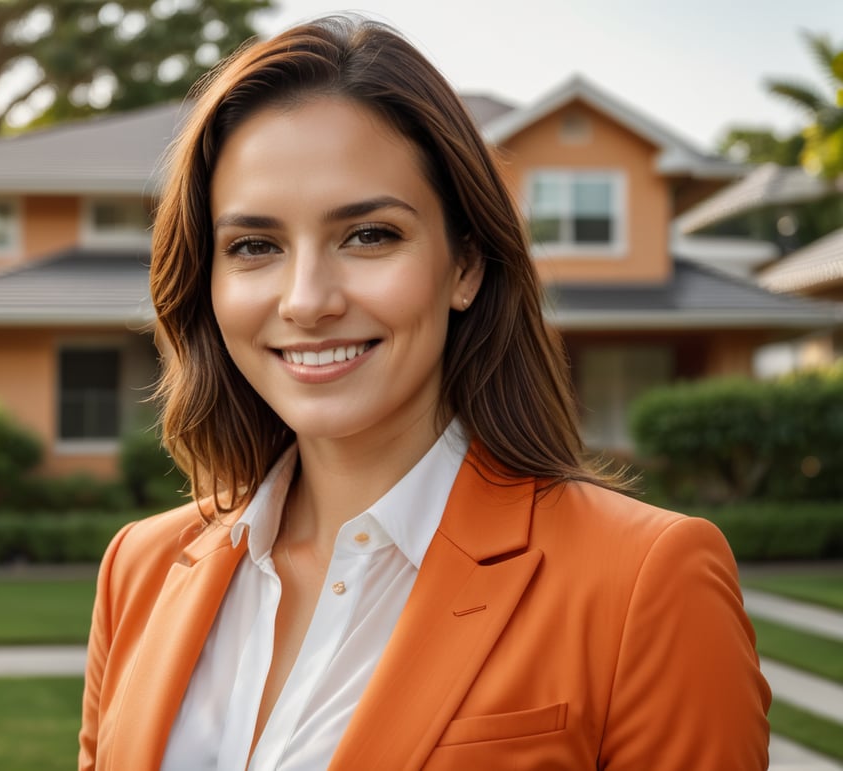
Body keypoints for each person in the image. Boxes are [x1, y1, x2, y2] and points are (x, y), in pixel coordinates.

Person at [79, 15, 770, 770]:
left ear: (465, 265)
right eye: (255, 246)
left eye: (369, 234)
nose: (307, 300)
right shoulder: (137, 570)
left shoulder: (645, 580)